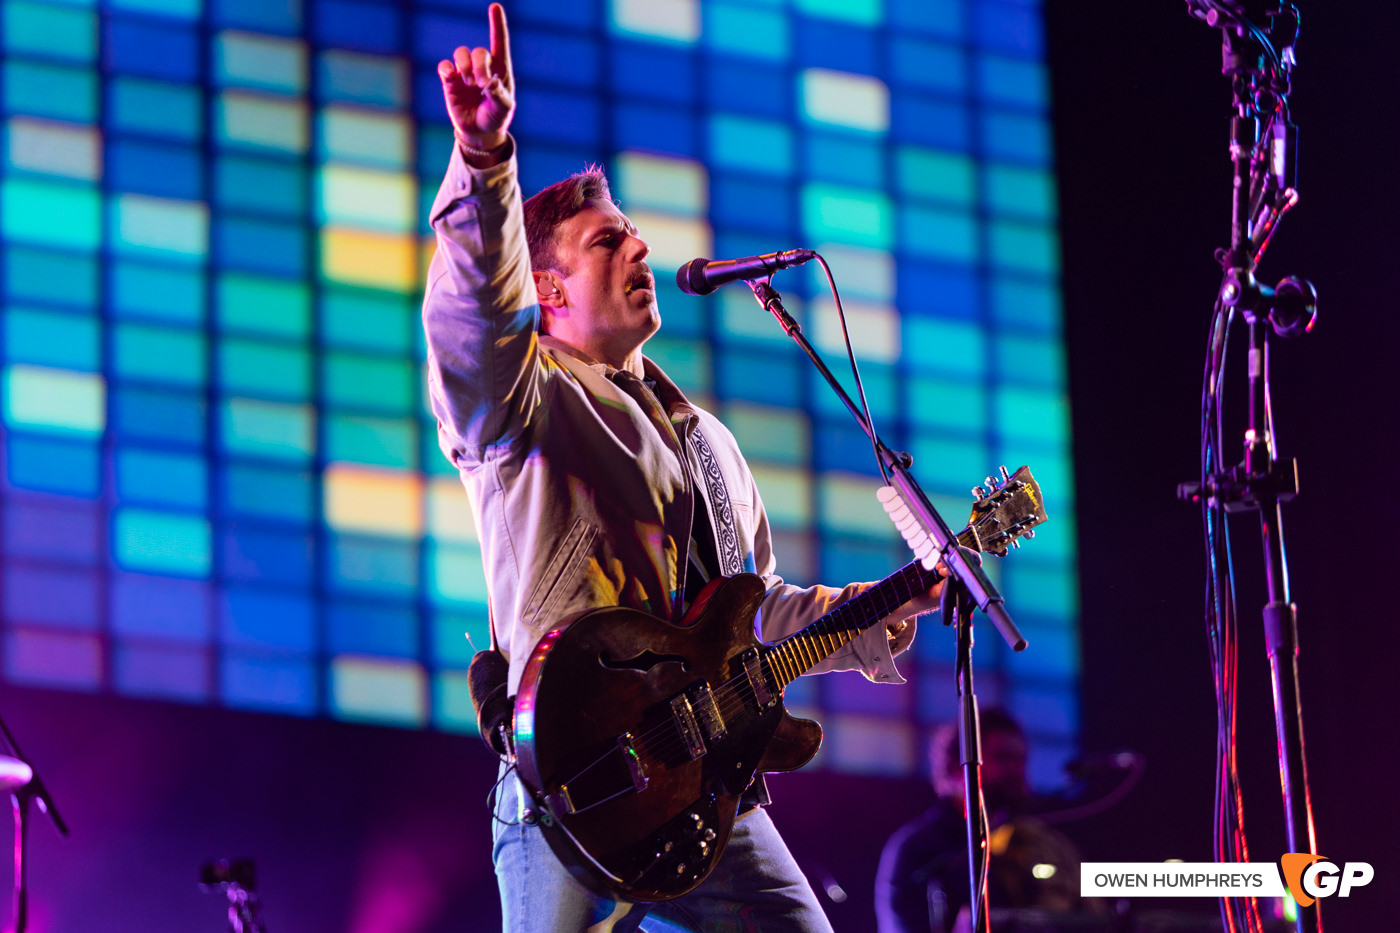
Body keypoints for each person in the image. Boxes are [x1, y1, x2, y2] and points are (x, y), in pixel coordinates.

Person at [423, 6, 942, 932]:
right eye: (607, 240)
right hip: (572, 786)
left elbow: (748, 606)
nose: (641, 248)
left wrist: (884, 603)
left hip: (705, 790)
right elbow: (472, 321)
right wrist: (484, 158)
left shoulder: (708, 439)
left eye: (634, 233)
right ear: (546, 291)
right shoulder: (526, 397)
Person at [874, 711, 1086, 933]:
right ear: (957, 767)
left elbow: (1096, 914)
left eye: (1021, 760)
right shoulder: (917, 850)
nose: (1016, 770)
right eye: (1002, 758)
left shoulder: (1047, 845)